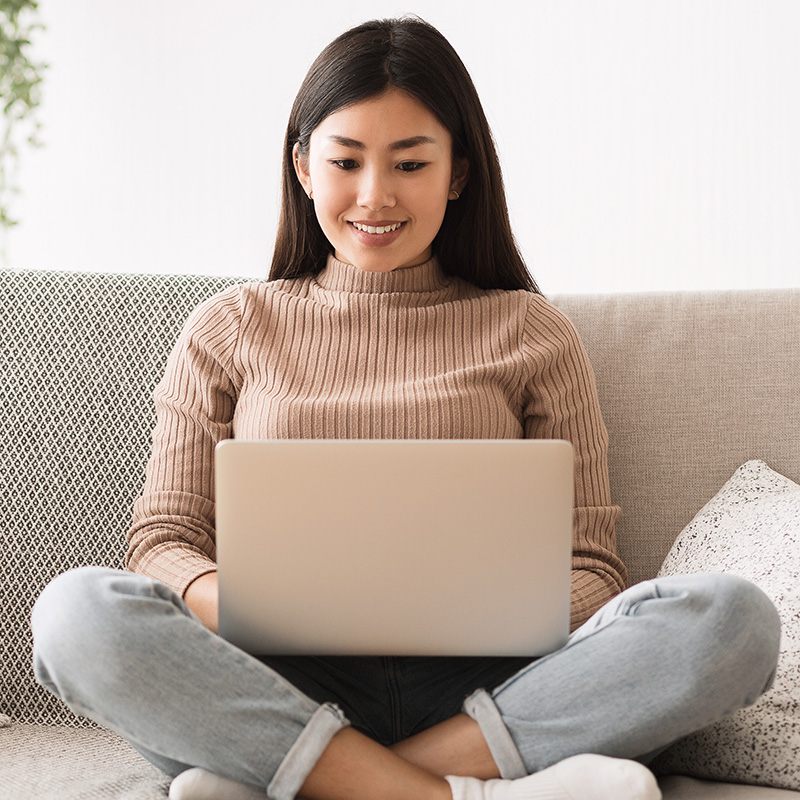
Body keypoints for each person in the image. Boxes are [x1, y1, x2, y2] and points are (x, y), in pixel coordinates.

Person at [32, 16, 780, 800]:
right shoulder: (230, 328)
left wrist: (489, 611)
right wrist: (258, 609)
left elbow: (592, 567)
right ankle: (458, 791)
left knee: (732, 619)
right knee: (76, 614)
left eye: (411, 163)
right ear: (303, 168)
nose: (375, 196)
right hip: (276, 685)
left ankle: (309, 781)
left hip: (490, 689)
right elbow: (163, 544)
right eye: (345, 161)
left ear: (458, 173)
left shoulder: (533, 332)